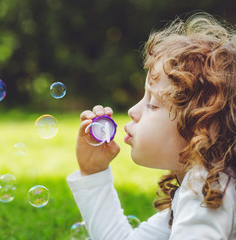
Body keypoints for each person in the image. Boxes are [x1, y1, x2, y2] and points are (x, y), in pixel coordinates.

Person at [67, 12, 236, 239]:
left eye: (153, 104)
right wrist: (93, 171)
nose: (132, 112)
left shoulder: (207, 190)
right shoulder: (202, 185)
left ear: (200, 127)